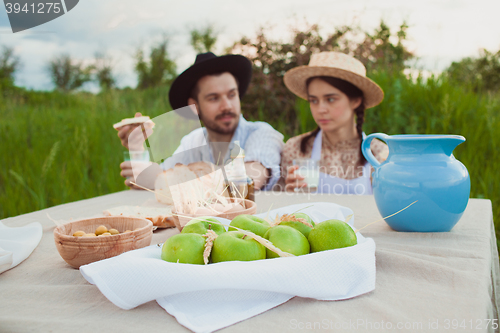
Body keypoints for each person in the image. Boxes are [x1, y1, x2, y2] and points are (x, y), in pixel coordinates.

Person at [116, 52, 284, 191]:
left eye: (232, 95)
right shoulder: (193, 141)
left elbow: (247, 181)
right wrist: (137, 148)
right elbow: (160, 179)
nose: (227, 105)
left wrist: (163, 182)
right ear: (193, 107)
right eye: (214, 98)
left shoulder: (262, 133)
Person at [280, 51, 388, 194]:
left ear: (356, 100)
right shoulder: (296, 149)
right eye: (313, 100)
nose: (320, 109)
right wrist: (289, 194)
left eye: (330, 99)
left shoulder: (379, 154)